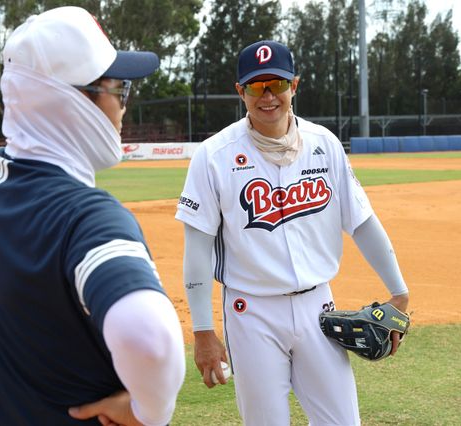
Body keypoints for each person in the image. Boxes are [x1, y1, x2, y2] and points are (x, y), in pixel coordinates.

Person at [0, 6, 185, 426]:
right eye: (119, 89)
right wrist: (149, 412)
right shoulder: (87, 217)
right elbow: (150, 339)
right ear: (75, 99)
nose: (123, 107)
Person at [175, 40, 410, 425]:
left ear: (294, 85)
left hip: (319, 307)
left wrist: (399, 292)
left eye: (277, 84)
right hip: (251, 313)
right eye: (256, 86)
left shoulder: (324, 144)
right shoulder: (214, 156)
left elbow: (362, 221)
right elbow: (197, 248)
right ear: (240, 92)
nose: (268, 96)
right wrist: (202, 332)